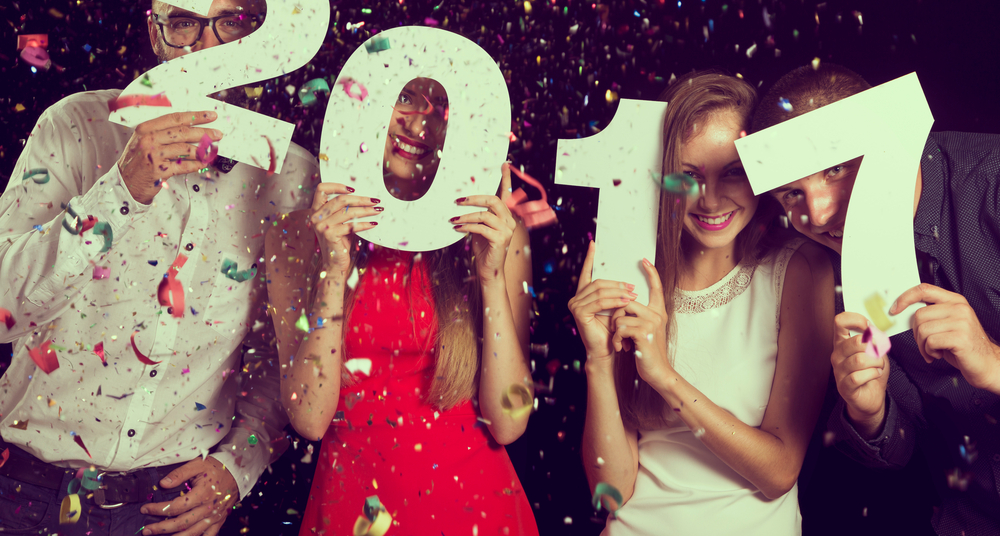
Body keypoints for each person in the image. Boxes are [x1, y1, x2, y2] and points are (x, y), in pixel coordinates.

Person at [0, 0, 317, 536]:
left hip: (169, 506)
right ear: (156, 31)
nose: (204, 45)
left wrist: (237, 466)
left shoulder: (292, 179)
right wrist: (120, 191)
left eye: (229, 23)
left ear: (258, 36)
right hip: (26, 492)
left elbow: (280, 359)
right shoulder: (73, 127)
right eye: (183, 22)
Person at [264, 77, 538, 535]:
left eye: (441, 110)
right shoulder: (294, 236)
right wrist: (335, 269)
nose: (418, 124)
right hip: (353, 507)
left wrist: (490, 276)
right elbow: (310, 419)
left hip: (474, 506)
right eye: (406, 97)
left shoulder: (496, 239)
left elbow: (510, 424)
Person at [571, 71, 833, 535]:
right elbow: (612, 486)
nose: (710, 200)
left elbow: (779, 472)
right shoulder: (630, 271)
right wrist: (597, 358)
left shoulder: (799, 269)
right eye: (689, 176)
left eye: (732, 172)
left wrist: (664, 378)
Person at [751, 63, 1000, 535]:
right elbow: (910, 443)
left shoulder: (993, 185)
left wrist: (993, 363)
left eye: (837, 168)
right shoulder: (831, 272)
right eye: (791, 193)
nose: (819, 212)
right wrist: (871, 414)